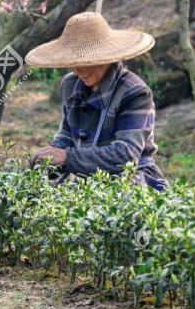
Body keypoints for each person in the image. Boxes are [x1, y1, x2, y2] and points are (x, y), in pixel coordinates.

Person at [27, 12, 168, 191]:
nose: (78, 70)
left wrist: (67, 158)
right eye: (73, 61)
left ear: (106, 58)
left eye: (85, 62)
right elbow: (67, 135)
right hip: (88, 178)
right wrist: (47, 159)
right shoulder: (70, 86)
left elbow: (125, 156)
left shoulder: (134, 93)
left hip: (133, 178)